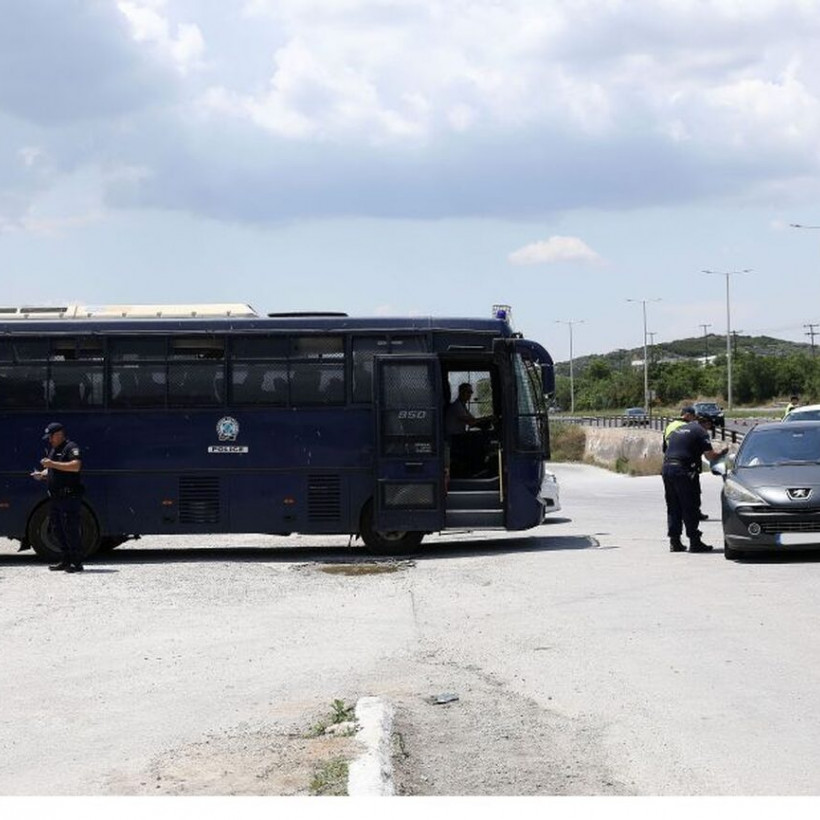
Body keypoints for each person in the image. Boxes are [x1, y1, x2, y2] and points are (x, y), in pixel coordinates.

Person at [662, 414, 728, 553]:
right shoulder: (700, 431)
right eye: (711, 426)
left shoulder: (679, 429)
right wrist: (722, 452)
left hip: (667, 469)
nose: (710, 429)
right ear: (707, 423)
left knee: (673, 505)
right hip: (683, 470)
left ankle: (675, 542)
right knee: (689, 505)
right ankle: (694, 541)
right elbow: (710, 456)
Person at [30, 422, 85, 572]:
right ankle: (66, 560)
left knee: (71, 529)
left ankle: (76, 562)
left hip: (69, 496)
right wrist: (42, 474)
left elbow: (75, 466)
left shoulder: (71, 447)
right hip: (56, 497)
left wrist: (51, 464)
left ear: (59, 434)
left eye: (51, 437)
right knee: (57, 529)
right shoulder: (55, 450)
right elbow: (53, 470)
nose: (49, 440)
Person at [664, 405, 709, 521]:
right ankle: (693, 515)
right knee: (692, 492)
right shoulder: (686, 427)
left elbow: (664, 447)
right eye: (693, 417)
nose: (694, 420)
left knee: (673, 497)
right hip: (686, 464)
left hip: (669, 463)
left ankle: (677, 523)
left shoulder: (670, 425)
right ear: (688, 415)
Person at [445, 383, 496, 477]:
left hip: (459, 436)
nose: (470, 394)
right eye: (468, 392)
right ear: (461, 392)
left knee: (480, 435)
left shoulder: (462, 406)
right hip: (454, 438)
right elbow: (471, 422)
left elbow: (473, 419)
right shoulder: (457, 407)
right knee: (479, 439)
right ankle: (476, 468)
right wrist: (487, 418)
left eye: (471, 392)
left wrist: (486, 419)